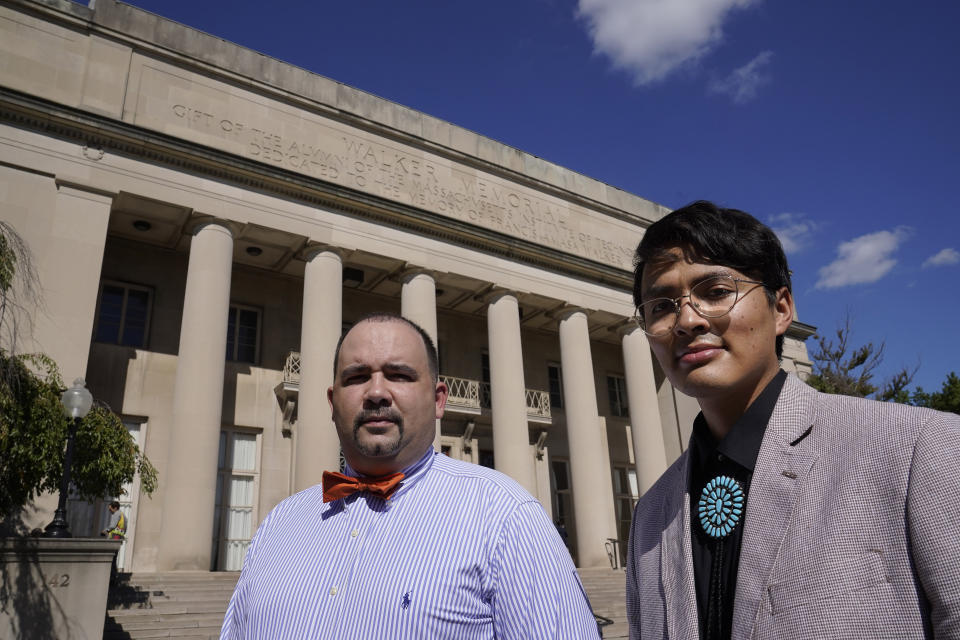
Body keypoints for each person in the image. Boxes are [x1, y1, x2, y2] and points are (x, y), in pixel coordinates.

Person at [626, 201, 960, 640]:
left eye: (716, 291)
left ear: (781, 308)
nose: (687, 320)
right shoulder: (650, 515)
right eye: (662, 306)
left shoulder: (921, 448)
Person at [221, 313, 600, 639]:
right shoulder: (280, 524)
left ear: (438, 400)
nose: (376, 392)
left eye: (399, 374)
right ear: (332, 402)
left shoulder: (504, 517)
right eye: (356, 378)